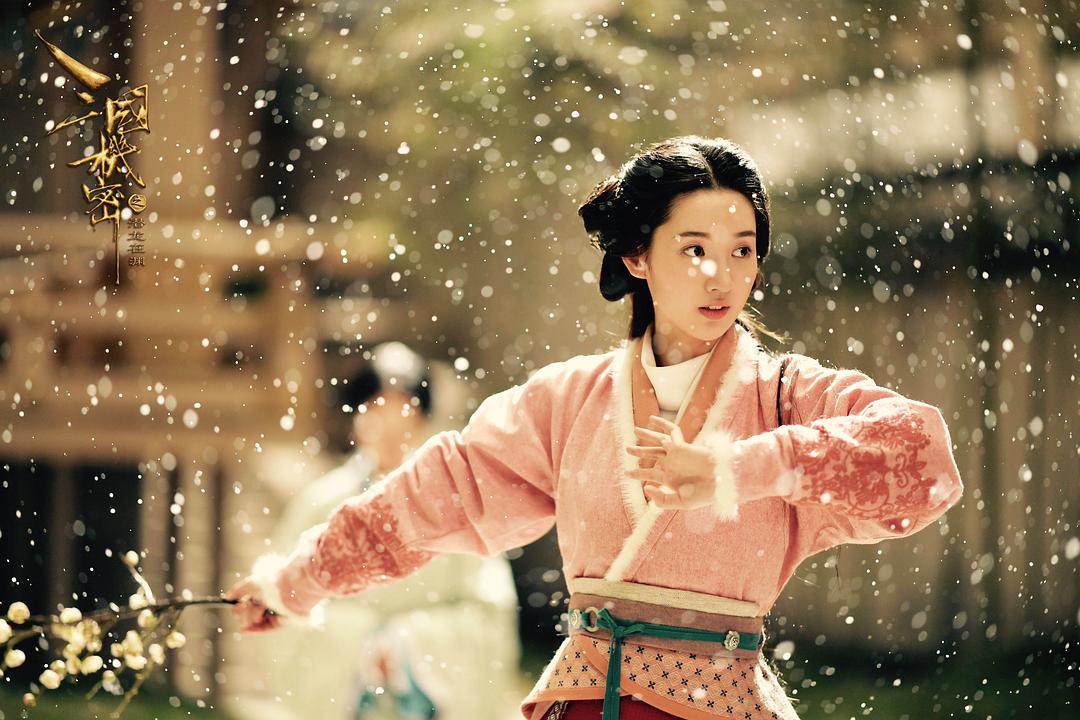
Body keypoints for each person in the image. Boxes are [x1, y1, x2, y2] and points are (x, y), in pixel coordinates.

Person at [227, 136, 964, 720]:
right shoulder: (570, 400)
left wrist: (737, 468)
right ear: (637, 256)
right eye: (695, 249)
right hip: (588, 698)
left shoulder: (785, 394)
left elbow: (921, 459)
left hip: (718, 704)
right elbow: (432, 494)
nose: (722, 275)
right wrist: (294, 582)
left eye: (742, 249)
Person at [236, 342, 522, 720]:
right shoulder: (322, 502)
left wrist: (405, 645)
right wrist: (365, 645)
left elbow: (487, 610)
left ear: (422, 419)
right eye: (374, 408)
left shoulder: (454, 503)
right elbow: (290, 606)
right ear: (356, 418)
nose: (389, 425)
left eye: (403, 409)